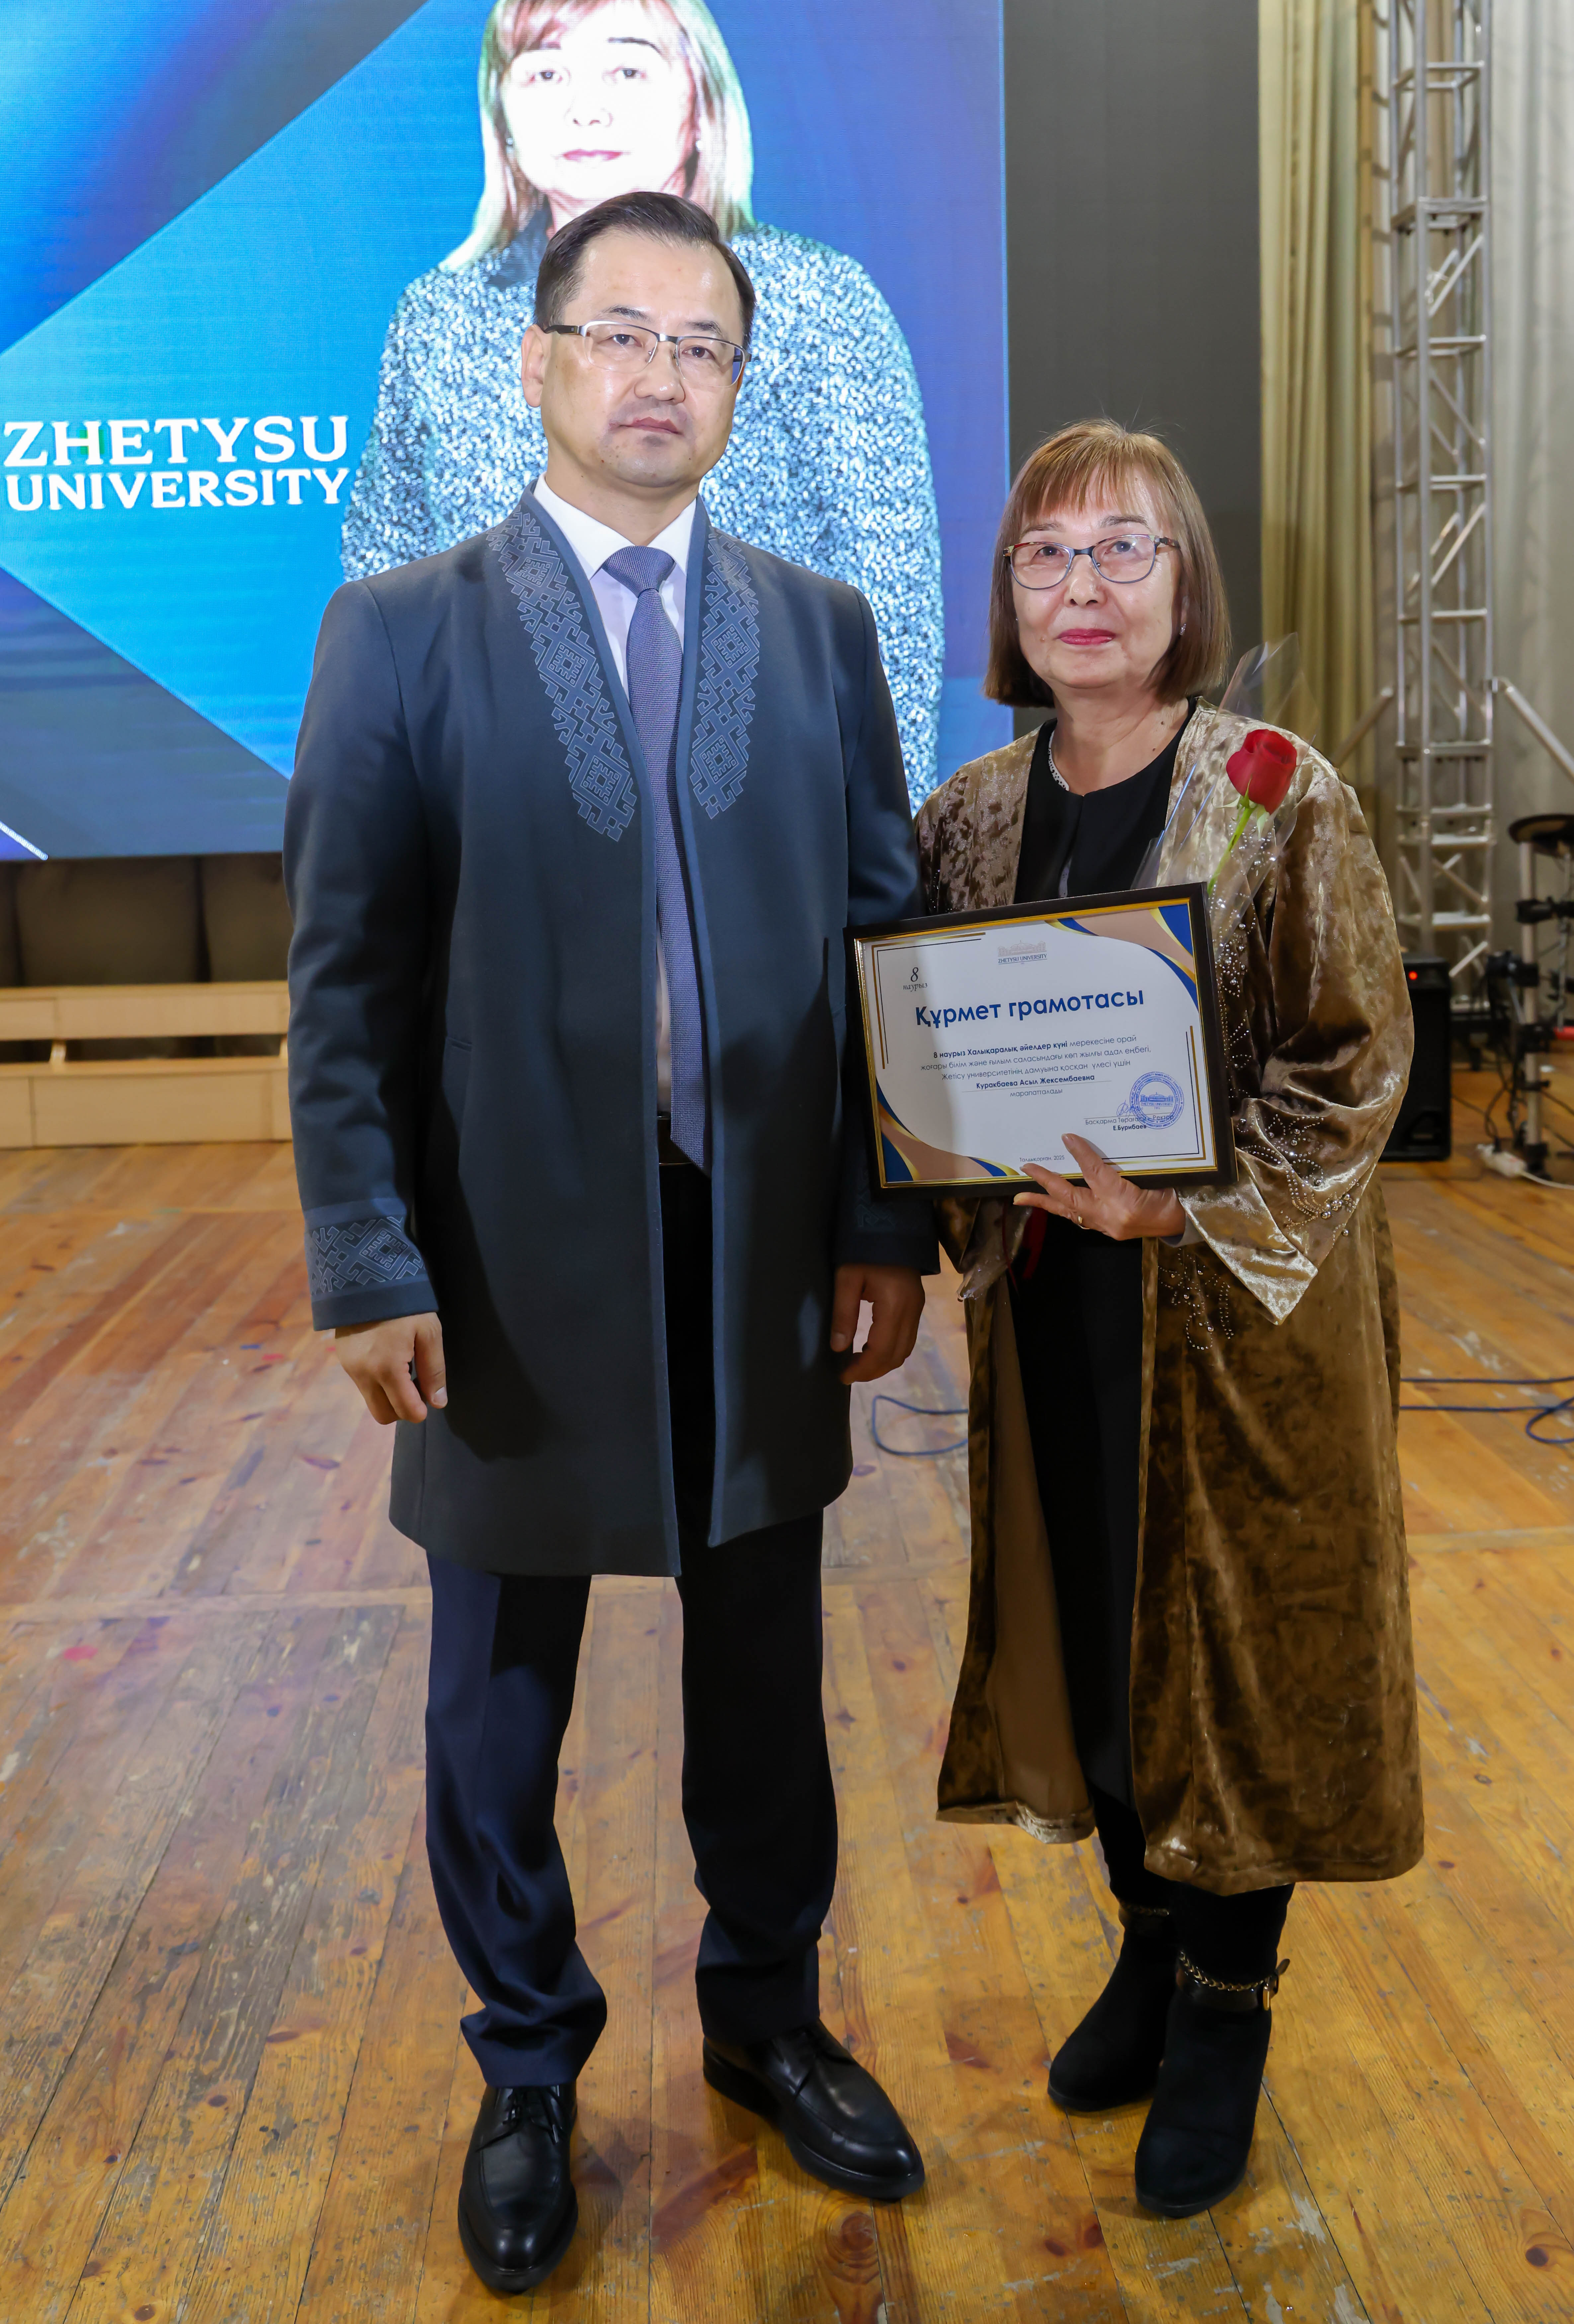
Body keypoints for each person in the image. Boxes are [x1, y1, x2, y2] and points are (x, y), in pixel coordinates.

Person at [286, 190, 935, 2297]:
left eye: (703, 344)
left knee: (765, 1676)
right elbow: (345, 977)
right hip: (499, 1264)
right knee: (499, 1696)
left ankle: (767, 2016)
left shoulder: (821, 628)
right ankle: (526, 2062)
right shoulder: (401, 629)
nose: (662, 375)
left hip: (760, 1253)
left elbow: (879, 944)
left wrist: (882, 1215)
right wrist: (368, 1254)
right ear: (540, 361)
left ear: (742, 383)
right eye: (622, 334)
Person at [917, 421, 1422, 2219]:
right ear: (1008, 597)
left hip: (1235, 1332)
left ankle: (1225, 1998)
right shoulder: (967, 816)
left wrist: (1179, 1207)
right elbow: (930, 1054)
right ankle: (1145, 1935)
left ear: (1181, 582)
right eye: (1045, 556)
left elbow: (1352, 1059)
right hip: (1056, 1312)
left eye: (1120, 550)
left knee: (1237, 1657)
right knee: (1096, 1630)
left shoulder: (1278, 793)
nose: (1082, 588)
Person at [342, 0, 945, 800]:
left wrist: (862, 835)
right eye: (546, 72)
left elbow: (891, 615)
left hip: (765, 812)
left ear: (701, 102)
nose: (584, 107)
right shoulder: (437, 316)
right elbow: (386, 592)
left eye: (626, 68)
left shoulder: (822, 303)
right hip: (498, 823)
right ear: (501, 112)